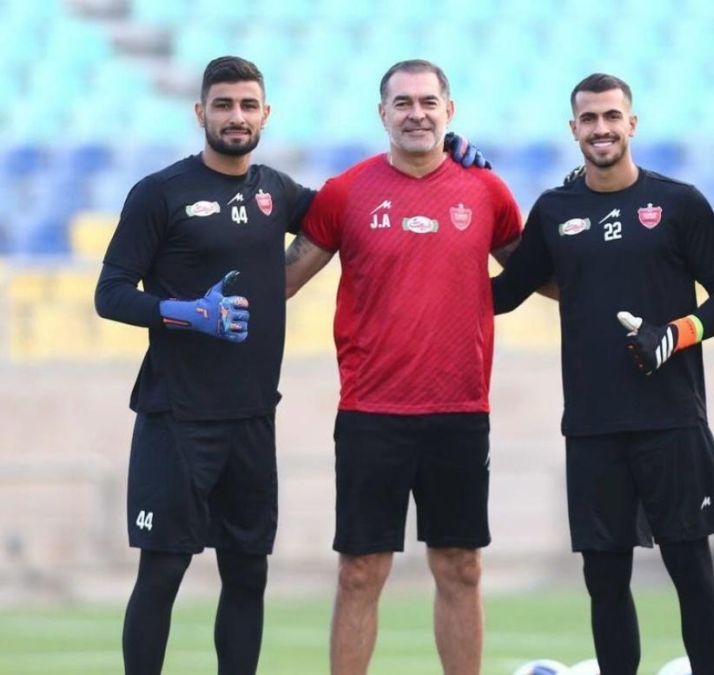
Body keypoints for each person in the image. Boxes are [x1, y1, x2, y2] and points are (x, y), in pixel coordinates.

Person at [94, 55, 484, 675]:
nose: (236, 116)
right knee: (163, 570)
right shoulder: (159, 193)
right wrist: (185, 313)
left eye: (248, 106)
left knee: (247, 575)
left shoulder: (276, 192)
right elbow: (110, 294)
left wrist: (449, 159)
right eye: (223, 105)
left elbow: (361, 204)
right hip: (176, 416)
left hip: (252, 418)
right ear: (200, 112)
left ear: (265, 114)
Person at [491, 73, 714, 675]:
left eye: (611, 117)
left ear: (631, 123)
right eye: (589, 119)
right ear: (573, 128)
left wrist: (675, 333)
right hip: (593, 425)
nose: (600, 128)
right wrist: (455, 228)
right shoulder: (555, 210)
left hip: (671, 419)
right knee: (604, 579)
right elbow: (504, 294)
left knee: (691, 570)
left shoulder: (679, 203)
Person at [283, 59, 523, 675]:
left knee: (461, 566)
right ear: (382, 114)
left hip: (460, 409)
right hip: (371, 413)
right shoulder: (346, 192)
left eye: (428, 102)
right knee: (360, 570)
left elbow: (540, 274)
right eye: (403, 103)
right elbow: (281, 281)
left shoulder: (486, 190)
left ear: (450, 111)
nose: (417, 114)